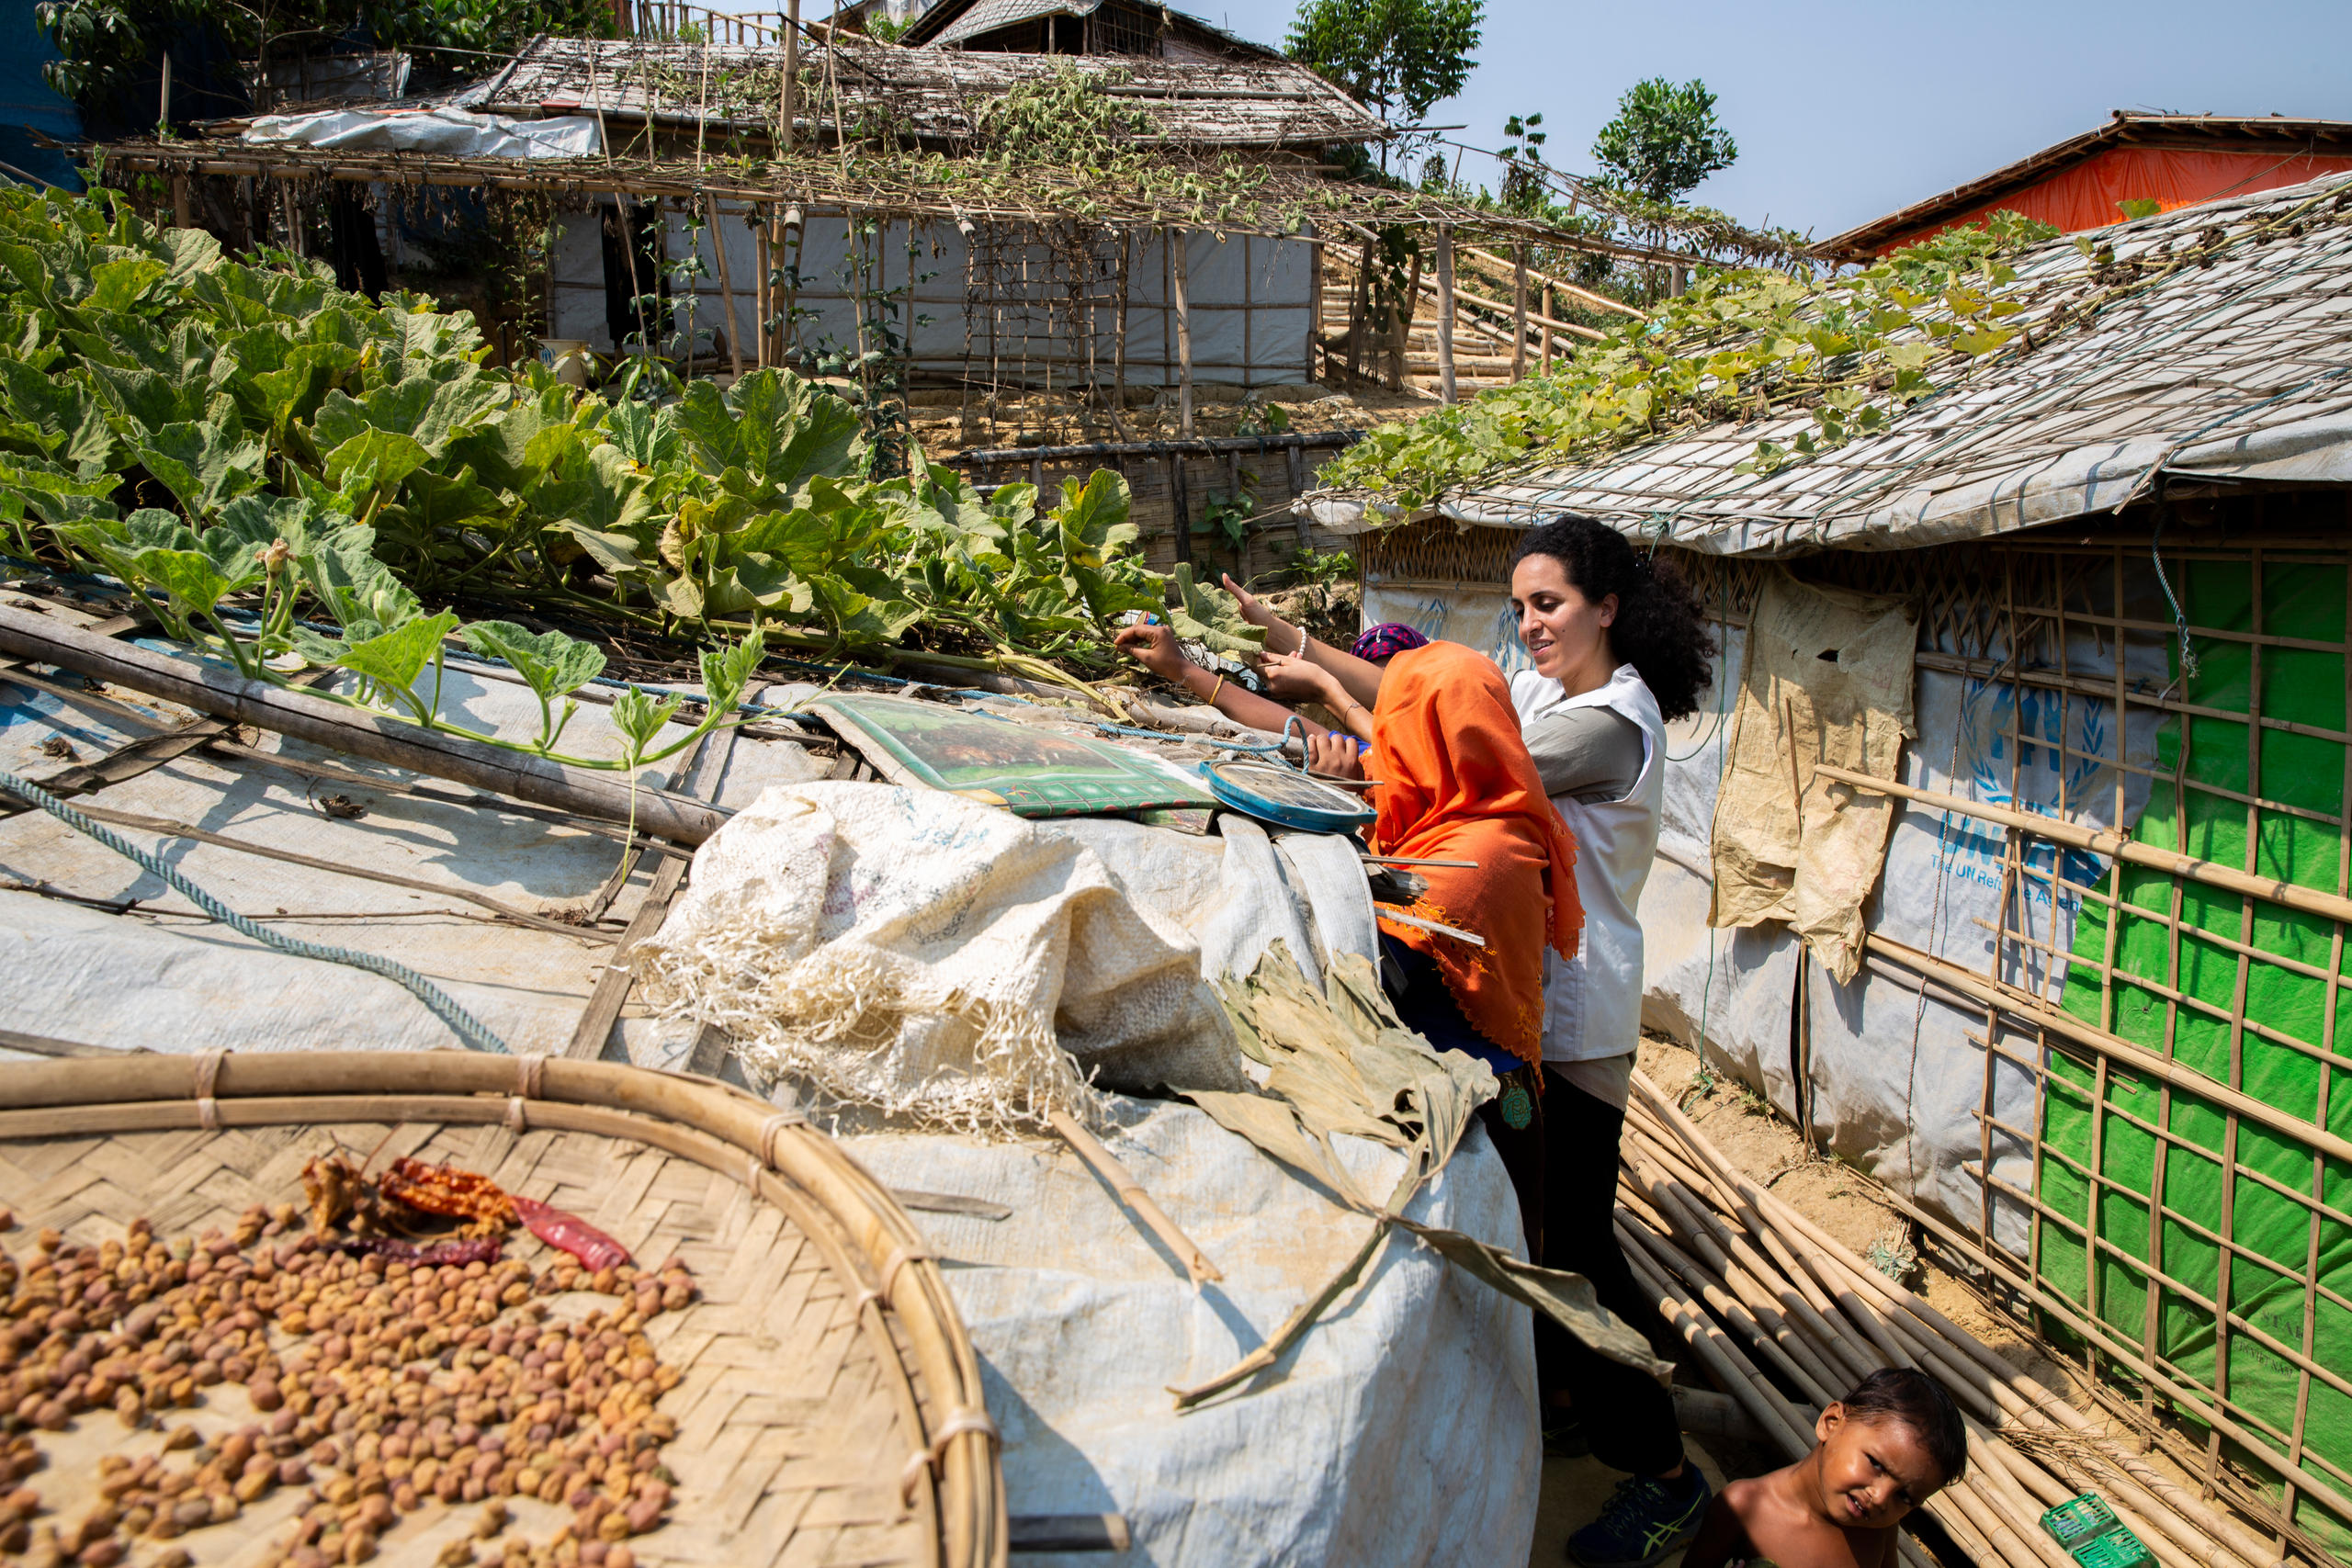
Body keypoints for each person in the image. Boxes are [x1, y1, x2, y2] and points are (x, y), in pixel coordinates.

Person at [1507, 514, 1718, 1568]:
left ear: (1605, 608)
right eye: (1520, 608)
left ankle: (1668, 1479)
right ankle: (1560, 1398)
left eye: (1546, 605)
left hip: (1580, 1014)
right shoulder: (1552, 690)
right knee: (1544, 1226)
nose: (1529, 624)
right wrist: (1310, 657)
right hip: (1546, 1001)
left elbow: (1461, 760)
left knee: (1581, 1252)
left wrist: (1293, 694)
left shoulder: (1603, 724)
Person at [1681, 1370, 1968, 1568]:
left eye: (1904, 1497)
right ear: (1830, 1423)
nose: (1881, 1497)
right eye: (1876, 1464)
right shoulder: (1744, 1508)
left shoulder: (1879, 1526)